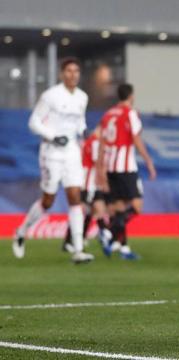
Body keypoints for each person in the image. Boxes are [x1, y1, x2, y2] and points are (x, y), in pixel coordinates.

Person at [12, 57, 94, 264]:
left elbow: (79, 121)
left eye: (76, 71)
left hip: (72, 152)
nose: (73, 74)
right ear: (62, 74)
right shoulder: (51, 96)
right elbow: (34, 122)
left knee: (75, 197)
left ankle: (77, 249)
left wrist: (83, 131)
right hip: (51, 152)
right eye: (69, 71)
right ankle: (21, 231)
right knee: (48, 200)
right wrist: (52, 135)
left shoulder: (83, 97)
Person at [96, 83, 156, 260]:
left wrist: (100, 166)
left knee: (119, 209)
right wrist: (149, 161)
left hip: (111, 167)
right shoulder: (130, 113)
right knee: (137, 207)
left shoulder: (108, 115)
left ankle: (123, 248)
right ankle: (108, 232)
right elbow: (136, 139)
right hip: (126, 167)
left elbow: (102, 142)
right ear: (131, 95)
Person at [61, 127, 112, 253]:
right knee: (83, 210)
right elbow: (98, 163)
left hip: (86, 180)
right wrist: (104, 181)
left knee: (90, 210)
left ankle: (88, 236)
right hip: (88, 182)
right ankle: (70, 241)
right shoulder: (95, 142)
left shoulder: (87, 142)